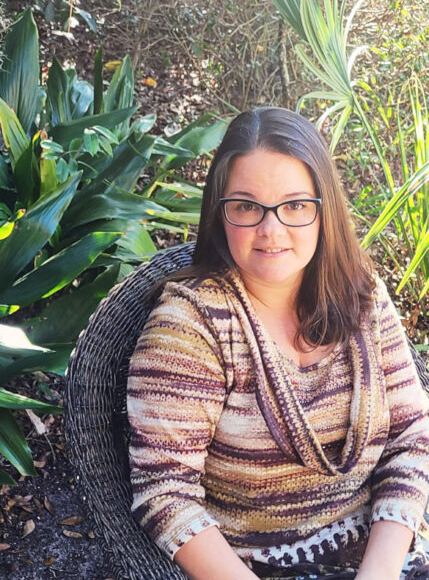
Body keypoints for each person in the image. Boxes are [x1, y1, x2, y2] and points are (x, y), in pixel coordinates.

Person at [127, 107, 429, 580]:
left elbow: (413, 436)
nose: (271, 231)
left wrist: (380, 571)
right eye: (246, 206)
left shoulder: (360, 292)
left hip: (388, 555)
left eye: (294, 205)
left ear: (323, 207)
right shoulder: (191, 325)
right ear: (219, 211)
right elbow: (165, 493)